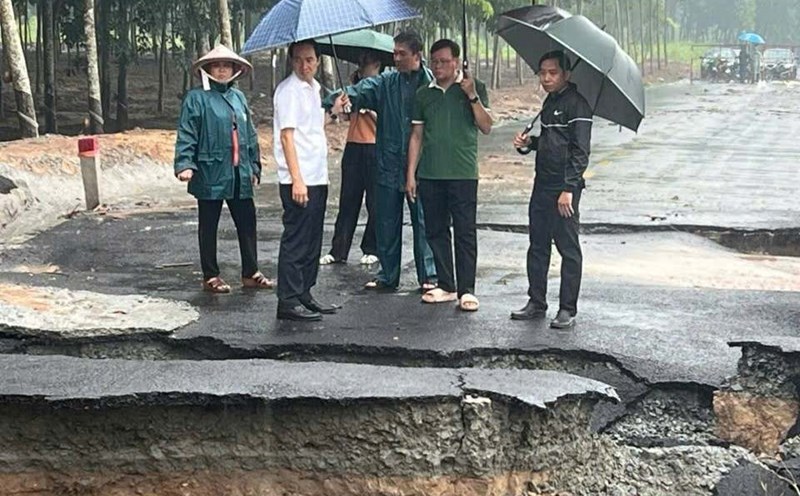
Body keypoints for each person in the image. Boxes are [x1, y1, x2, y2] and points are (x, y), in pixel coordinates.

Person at [327, 30, 437, 293]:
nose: (396, 58)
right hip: (387, 160)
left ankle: (429, 276)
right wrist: (342, 96)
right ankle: (388, 274)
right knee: (386, 220)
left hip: (421, 165)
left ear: (417, 56)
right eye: (394, 53)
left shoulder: (432, 85)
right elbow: (362, 89)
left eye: (402, 54)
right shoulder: (387, 82)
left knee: (424, 222)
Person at [173, 45, 274, 294]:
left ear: (234, 69)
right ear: (207, 69)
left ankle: (251, 271)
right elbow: (187, 132)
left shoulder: (238, 97)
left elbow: (249, 134)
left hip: (239, 173)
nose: (221, 70)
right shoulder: (196, 98)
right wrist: (185, 163)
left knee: (247, 222)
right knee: (209, 225)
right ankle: (211, 275)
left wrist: (254, 165)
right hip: (210, 170)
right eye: (216, 65)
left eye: (226, 65)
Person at [406, 39, 492, 312]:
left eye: (444, 61)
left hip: (463, 173)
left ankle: (467, 289)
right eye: (435, 61)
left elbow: (486, 126)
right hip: (431, 174)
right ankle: (446, 283)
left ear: (457, 62)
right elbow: (417, 136)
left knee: (465, 231)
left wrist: (472, 95)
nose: (439, 66)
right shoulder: (424, 94)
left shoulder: (472, 88)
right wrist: (411, 174)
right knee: (436, 230)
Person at [510, 50, 593, 329]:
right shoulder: (549, 103)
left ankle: (567, 308)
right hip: (542, 184)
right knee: (537, 245)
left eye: (552, 73)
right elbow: (550, 141)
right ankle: (536, 302)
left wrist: (569, 188)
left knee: (568, 248)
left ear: (566, 74)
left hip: (564, 188)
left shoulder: (578, 106)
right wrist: (529, 143)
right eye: (542, 72)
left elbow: (580, 151)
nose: (546, 78)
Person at [273, 39, 339, 321]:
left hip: (317, 174)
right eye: (299, 59)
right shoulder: (288, 91)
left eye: (310, 59)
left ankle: (304, 292)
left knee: (313, 239)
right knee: (297, 239)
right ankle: (287, 300)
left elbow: (312, 126)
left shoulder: (314, 89)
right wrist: (296, 180)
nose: (305, 65)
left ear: (317, 60)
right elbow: (287, 137)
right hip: (297, 178)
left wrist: (334, 110)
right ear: (291, 61)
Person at [320, 50, 381, 266]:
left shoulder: (384, 88)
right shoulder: (353, 90)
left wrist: (371, 111)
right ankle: (339, 250)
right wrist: (345, 108)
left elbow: (387, 120)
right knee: (348, 201)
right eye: (363, 63)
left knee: (375, 203)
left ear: (378, 66)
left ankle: (372, 248)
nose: (365, 66)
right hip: (354, 147)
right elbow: (344, 115)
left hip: (375, 147)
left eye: (370, 63)